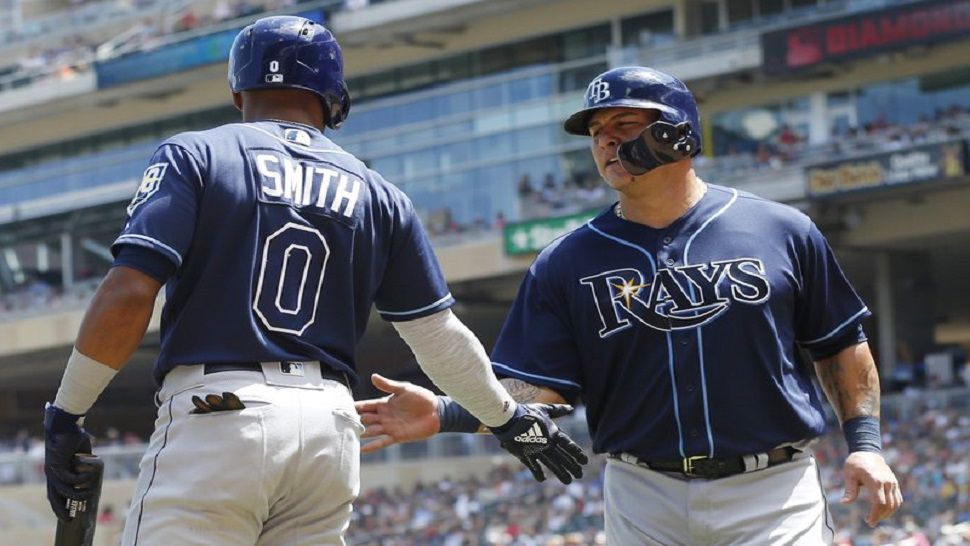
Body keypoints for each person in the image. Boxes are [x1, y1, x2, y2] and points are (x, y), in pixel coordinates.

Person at [42, 16, 586, 546]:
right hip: (328, 426)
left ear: (239, 93)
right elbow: (438, 338)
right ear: (332, 100)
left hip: (220, 415)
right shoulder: (380, 192)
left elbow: (130, 292)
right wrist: (509, 418)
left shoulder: (198, 153)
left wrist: (67, 413)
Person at [355, 66, 903, 544]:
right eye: (596, 133)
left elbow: (839, 344)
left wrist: (866, 446)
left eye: (623, 127)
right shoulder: (566, 262)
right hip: (644, 493)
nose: (605, 144)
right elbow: (538, 389)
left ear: (678, 133)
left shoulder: (780, 231)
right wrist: (447, 412)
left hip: (773, 486)